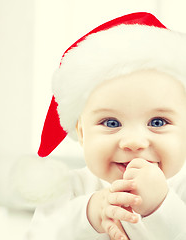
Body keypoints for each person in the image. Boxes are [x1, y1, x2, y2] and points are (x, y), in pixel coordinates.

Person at [25, 12, 186, 240]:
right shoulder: (69, 189)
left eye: (157, 122)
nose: (134, 141)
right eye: (111, 123)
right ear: (82, 132)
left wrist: (162, 206)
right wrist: (88, 214)